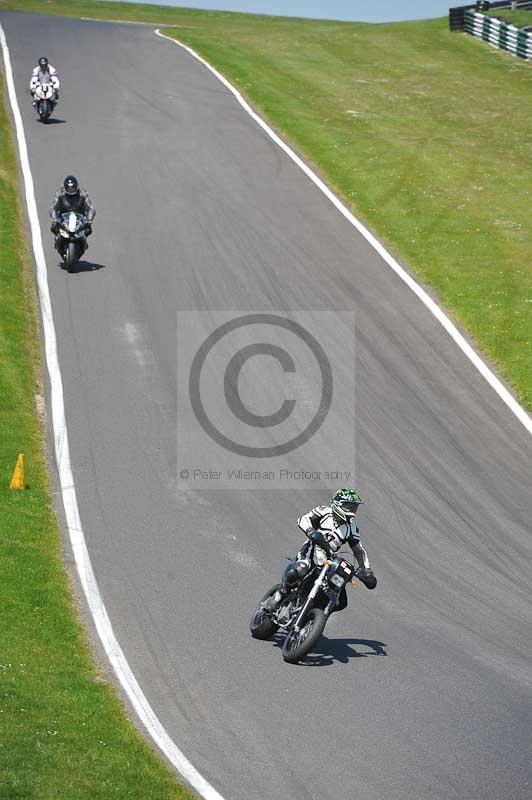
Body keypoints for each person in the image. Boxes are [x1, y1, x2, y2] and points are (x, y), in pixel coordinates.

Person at [264, 488, 377, 612]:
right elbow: (303, 519)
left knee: (341, 600)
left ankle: (315, 614)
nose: (352, 511)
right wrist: (310, 531)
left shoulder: (351, 527)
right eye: (349, 506)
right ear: (338, 504)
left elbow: (358, 550)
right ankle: (279, 596)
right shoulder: (324, 511)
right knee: (300, 569)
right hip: (309, 552)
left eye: (354, 507)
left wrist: (367, 570)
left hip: (328, 561)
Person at [49, 176, 96, 254]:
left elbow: (90, 208)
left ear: (76, 187)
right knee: (54, 227)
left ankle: (83, 242)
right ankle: (58, 239)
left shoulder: (82, 194)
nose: (71, 190)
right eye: (69, 188)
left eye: (73, 188)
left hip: (80, 219)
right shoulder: (60, 193)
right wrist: (54, 219)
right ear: (65, 187)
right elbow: (53, 208)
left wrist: (89, 220)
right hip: (63, 218)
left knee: (88, 229)